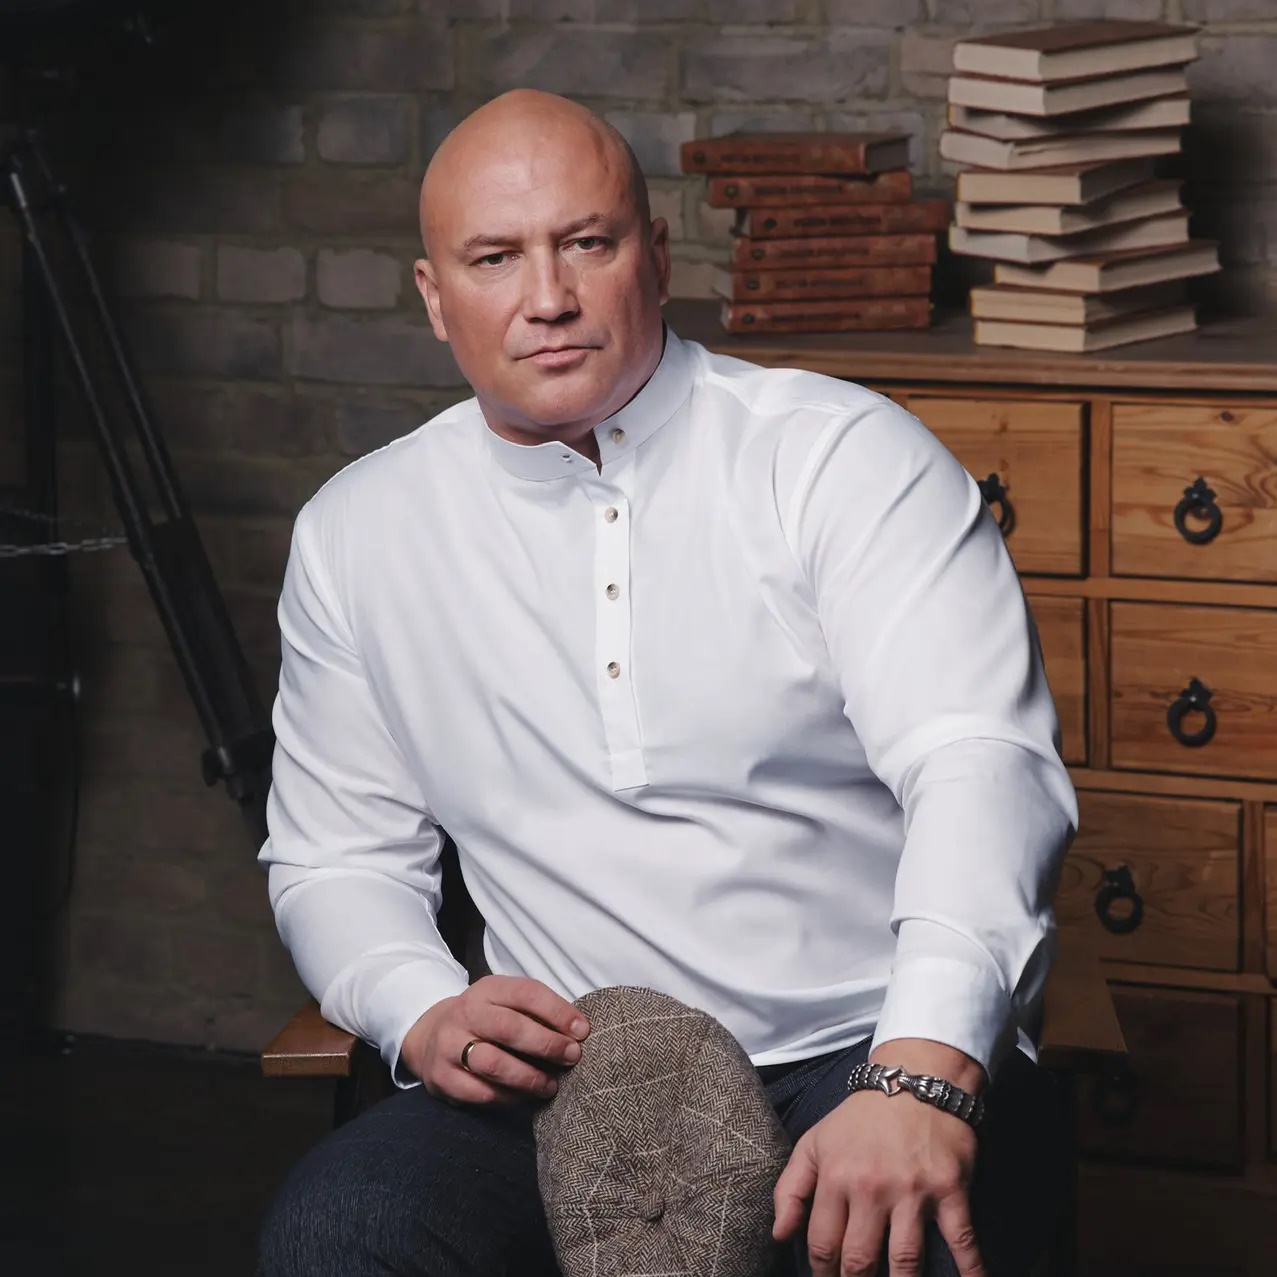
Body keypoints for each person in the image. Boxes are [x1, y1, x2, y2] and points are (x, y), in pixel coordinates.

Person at [256, 89, 1077, 1277]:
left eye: (585, 242)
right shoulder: (357, 531)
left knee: (912, 1249)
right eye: (495, 258)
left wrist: (921, 1063)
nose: (547, 296)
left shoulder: (836, 458)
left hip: (854, 1044)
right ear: (434, 296)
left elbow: (980, 763)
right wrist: (419, 1003)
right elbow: (335, 857)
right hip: (565, 1070)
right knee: (340, 1232)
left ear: (655, 254)